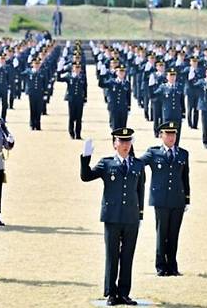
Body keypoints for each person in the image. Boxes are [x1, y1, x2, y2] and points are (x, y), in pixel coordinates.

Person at [80, 128, 145, 306]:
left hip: (131, 217)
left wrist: (140, 215)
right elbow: (86, 177)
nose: (125, 145)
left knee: (127, 256)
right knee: (112, 255)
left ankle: (124, 292)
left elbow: (140, 190)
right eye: (121, 141)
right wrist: (85, 158)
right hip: (112, 217)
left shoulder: (138, 165)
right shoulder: (107, 163)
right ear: (114, 144)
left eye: (128, 141)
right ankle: (111, 293)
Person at [138, 121, 190, 277]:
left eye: (173, 134)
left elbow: (185, 177)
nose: (171, 137)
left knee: (174, 234)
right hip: (160, 199)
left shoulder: (182, 153)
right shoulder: (154, 153)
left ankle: (172, 266)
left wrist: (187, 198)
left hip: (177, 199)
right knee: (162, 233)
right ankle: (161, 266)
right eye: (168, 134)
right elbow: (138, 164)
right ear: (161, 135)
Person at [56, 61, 88, 139]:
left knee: (79, 118)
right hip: (71, 99)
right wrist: (59, 70)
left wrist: (85, 98)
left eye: (78, 67)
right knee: (71, 117)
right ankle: (71, 133)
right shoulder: (69, 76)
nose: (77, 69)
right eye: (75, 67)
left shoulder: (82, 77)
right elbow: (59, 79)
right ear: (72, 68)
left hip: (80, 99)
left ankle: (78, 134)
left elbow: (85, 87)